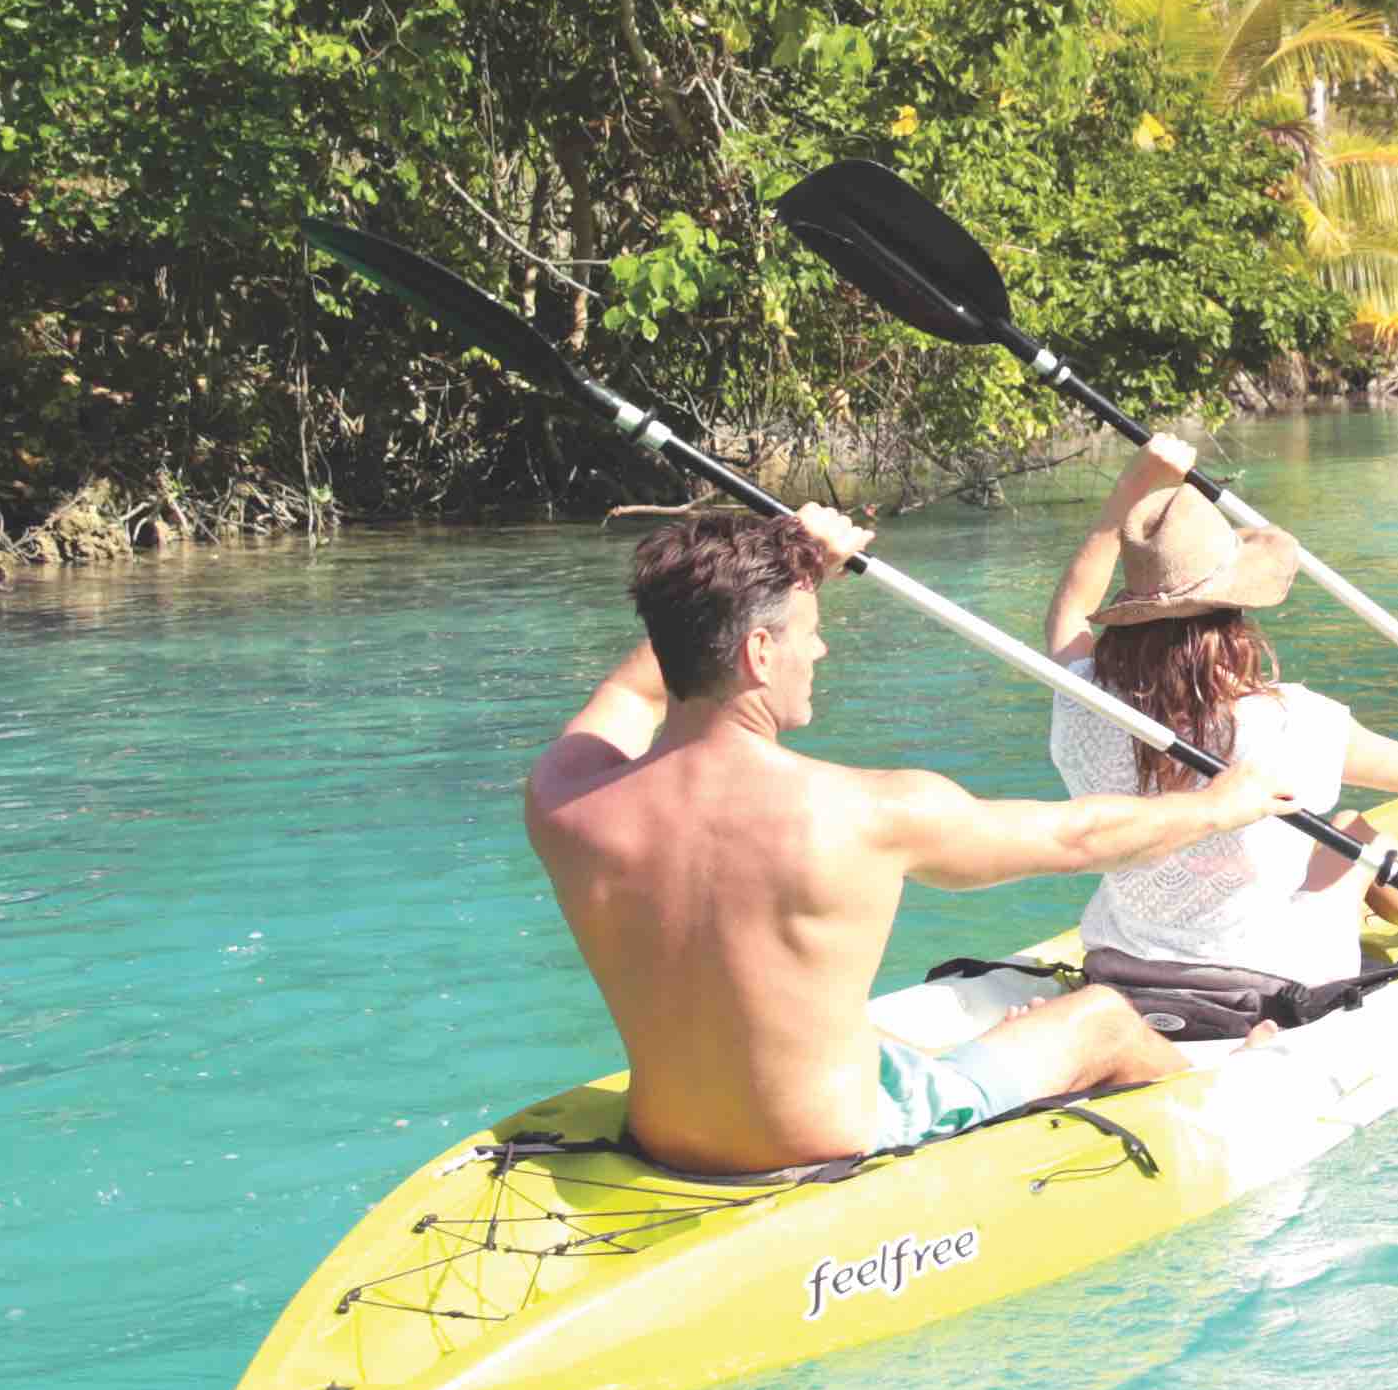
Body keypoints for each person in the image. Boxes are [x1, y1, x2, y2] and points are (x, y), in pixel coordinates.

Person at [522, 501, 1294, 1178]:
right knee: (1100, 1018)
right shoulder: (864, 813)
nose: (818, 651)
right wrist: (1220, 806)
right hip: (840, 1140)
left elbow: (629, 689)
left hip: (665, 1136)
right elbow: (1078, 836)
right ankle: (1226, 1098)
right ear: (760, 654)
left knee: (874, 1034)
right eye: (810, 633)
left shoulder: (566, 799)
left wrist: (781, 570)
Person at [1037, 434, 1398, 1037]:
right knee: (1355, 833)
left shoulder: (1082, 697)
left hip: (1122, 968)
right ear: (1235, 617)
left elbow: (1070, 607)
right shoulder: (1288, 719)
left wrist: (1134, 484)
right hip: (1266, 983)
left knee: (1331, 836)